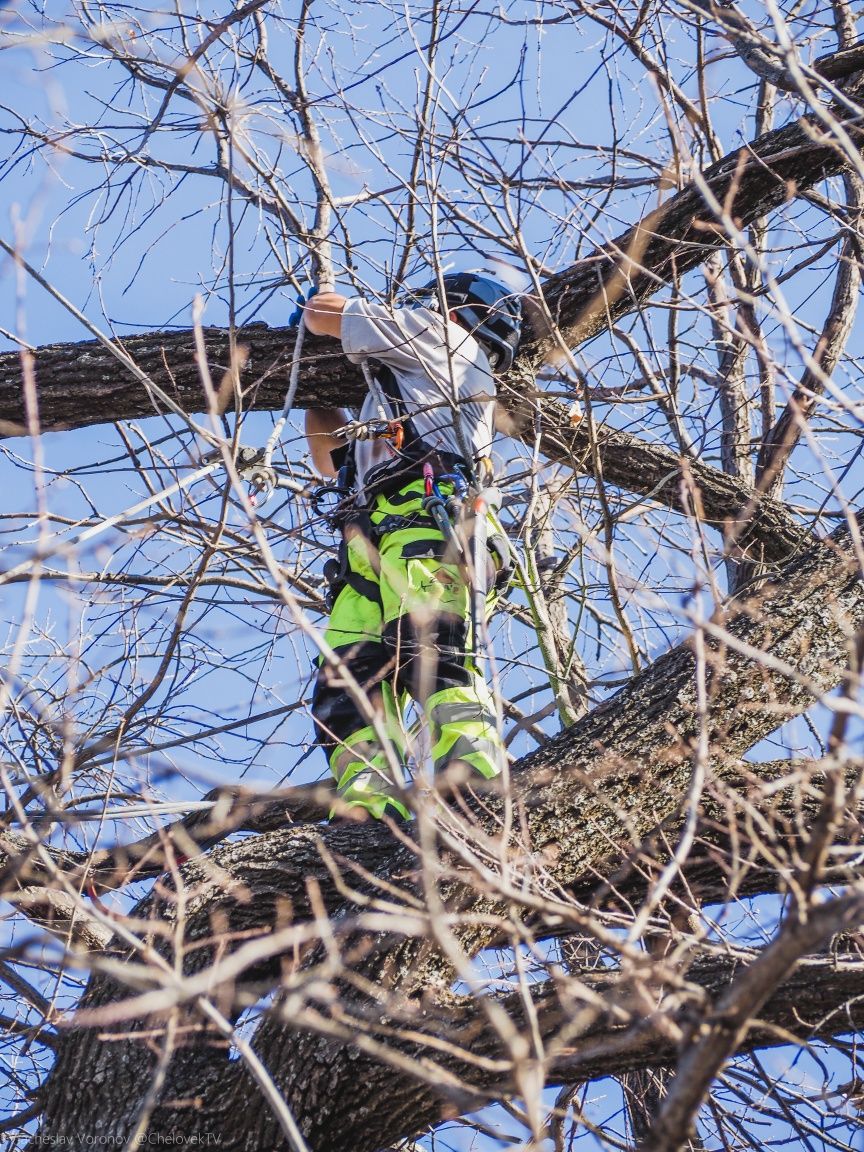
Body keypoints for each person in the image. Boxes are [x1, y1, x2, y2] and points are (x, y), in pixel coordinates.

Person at [303, 274, 522, 820]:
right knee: (346, 687)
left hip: (431, 528)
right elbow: (327, 453)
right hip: (373, 546)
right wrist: (317, 386)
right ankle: (368, 809)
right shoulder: (408, 393)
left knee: (434, 658)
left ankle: (475, 783)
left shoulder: (443, 340)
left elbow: (323, 312)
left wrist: (313, 320)